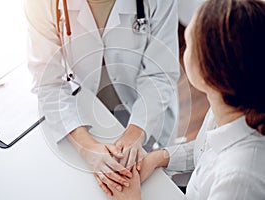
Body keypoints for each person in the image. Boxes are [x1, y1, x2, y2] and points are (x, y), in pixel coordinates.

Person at [109, 0, 265, 199]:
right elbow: (207, 148)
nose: (183, 45)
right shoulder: (230, 104)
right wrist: (159, 158)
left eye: (189, 43)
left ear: (208, 74)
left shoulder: (239, 183)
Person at [24, 0, 180, 196]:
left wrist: (136, 132)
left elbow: (160, 74)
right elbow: (48, 82)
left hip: (149, 115)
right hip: (89, 114)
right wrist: (86, 146)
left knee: (160, 188)